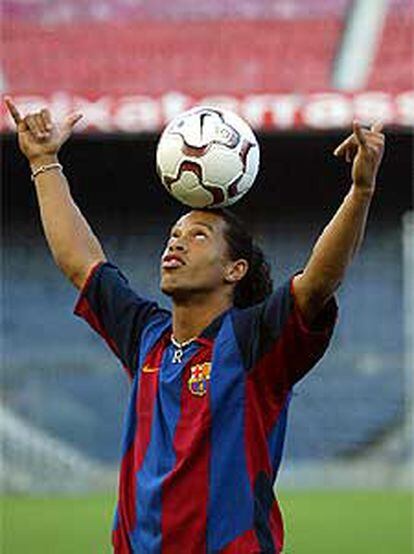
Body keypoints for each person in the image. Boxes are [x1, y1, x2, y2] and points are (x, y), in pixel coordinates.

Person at [5, 97, 385, 554]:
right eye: (174, 236)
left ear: (235, 269)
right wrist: (45, 162)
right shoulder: (147, 337)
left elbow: (318, 282)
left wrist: (360, 192)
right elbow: (80, 261)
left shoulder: (253, 342)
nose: (176, 244)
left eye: (197, 236)